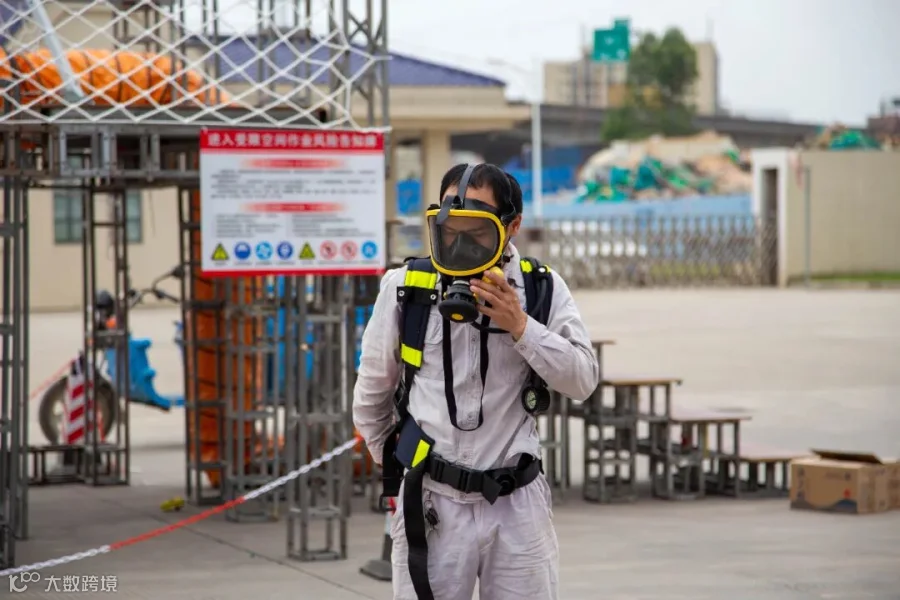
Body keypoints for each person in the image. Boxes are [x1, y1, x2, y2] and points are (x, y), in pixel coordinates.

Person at [353, 162, 599, 600]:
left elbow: (582, 379)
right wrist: (402, 468)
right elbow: (372, 394)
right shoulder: (406, 287)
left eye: (477, 230)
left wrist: (521, 326)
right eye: (450, 229)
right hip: (431, 501)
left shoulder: (540, 289)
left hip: (516, 505)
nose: (460, 242)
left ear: (511, 227)